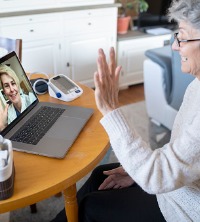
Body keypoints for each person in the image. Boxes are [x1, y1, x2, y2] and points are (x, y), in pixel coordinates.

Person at [52, 0, 200, 221]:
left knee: (91, 206)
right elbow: (182, 153)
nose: (175, 46)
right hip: (174, 184)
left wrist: (112, 110)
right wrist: (137, 169)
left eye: (183, 37)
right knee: (99, 177)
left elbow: (157, 179)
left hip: (184, 208)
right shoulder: (196, 84)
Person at [0, 64, 36, 131]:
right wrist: (3, 126)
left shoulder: (31, 98)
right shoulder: (8, 114)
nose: (11, 89)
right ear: (4, 91)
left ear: (17, 84)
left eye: (13, 83)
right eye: (6, 86)